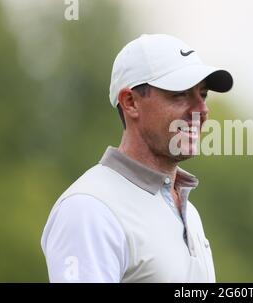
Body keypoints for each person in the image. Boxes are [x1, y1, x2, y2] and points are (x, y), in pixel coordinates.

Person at [41, 34, 233, 282]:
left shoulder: (189, 212)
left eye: (203, 94)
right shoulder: (89, 209)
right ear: (130, 102)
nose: (202, 110)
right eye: (181, 94)